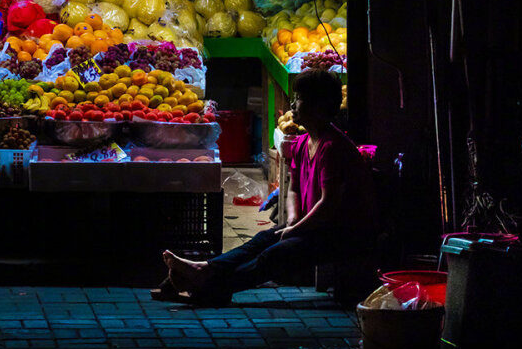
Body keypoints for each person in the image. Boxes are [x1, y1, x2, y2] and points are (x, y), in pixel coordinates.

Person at [155, 68, 378, 305]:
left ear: (318, 106)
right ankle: (204, 269)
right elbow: (292, 188)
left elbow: (328, 204)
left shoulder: (332, 148)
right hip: (316, 226)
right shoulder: (303, 143)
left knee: (276, 254)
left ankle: (208, 284)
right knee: (262, 240)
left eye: (299, 98)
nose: (293, 104)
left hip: (342, 233)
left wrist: (295, 229)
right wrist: (292, 221)